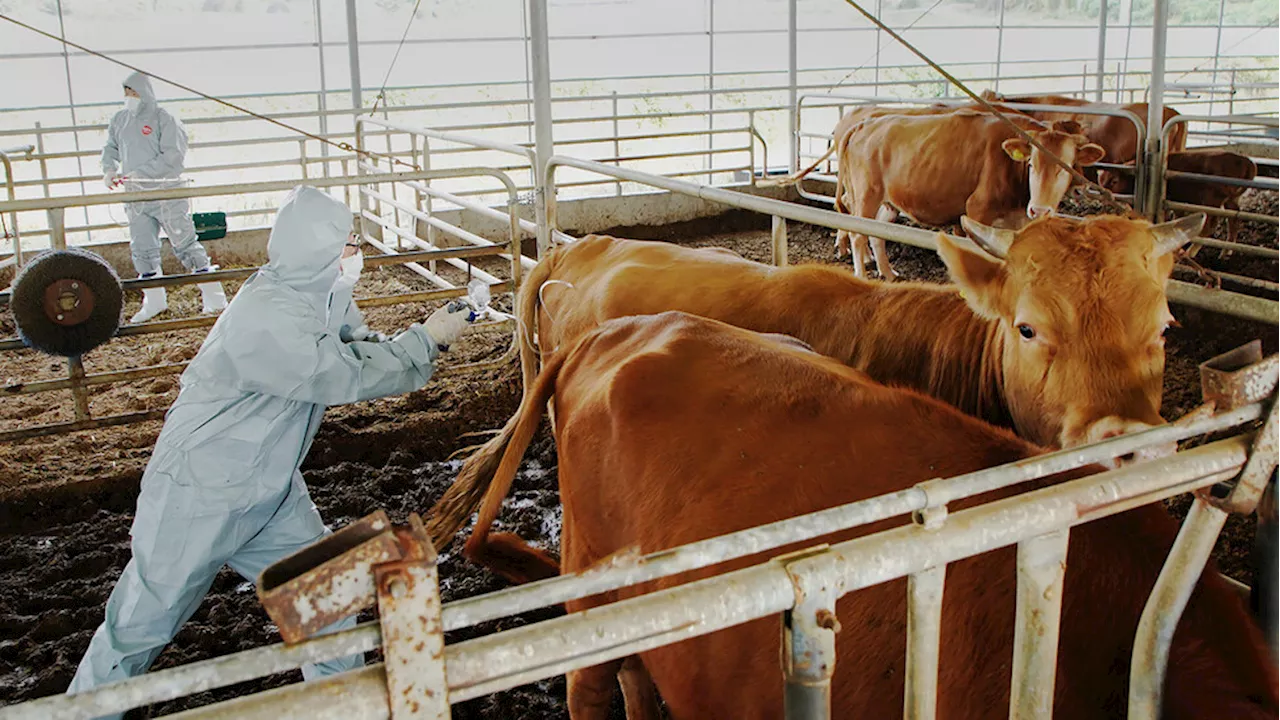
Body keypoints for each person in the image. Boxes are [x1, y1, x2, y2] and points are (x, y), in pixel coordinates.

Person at [67, 186, 477, 716]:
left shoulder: (322, 292)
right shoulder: (266, 313)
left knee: (327, 598)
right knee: (141, 624)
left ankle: (342, 709)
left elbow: (355, 345)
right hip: (201, 488)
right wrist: (424, 344)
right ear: (317, 253)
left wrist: (424, 334)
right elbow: (339, 374)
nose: (356, 251)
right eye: (348, 242)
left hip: (269, 486)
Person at [102, 71, 228, 323]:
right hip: (136, 196)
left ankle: (214, 300)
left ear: (145, 92)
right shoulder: (119, 119)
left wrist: (140, 173)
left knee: (185, 243)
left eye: (134, 92)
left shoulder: (164, 119)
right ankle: (154, 302)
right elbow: (111, 147)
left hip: (166, 193)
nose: (130, 96)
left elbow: (173, 157)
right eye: (126, 92)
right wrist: (109, 169)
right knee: (142, 248)